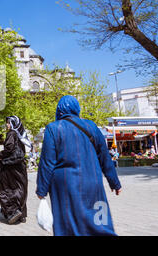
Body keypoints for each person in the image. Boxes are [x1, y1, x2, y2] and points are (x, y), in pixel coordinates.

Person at [36, 95, 122, 236]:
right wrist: (115, 183)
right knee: (100, 222)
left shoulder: (53, 128)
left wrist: (41, 190)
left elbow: (47, 162)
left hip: (66, 186)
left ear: (59, 110)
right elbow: (105, 157)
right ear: (77, 109)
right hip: (93, 183)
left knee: (69, 226)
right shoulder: (91, 126)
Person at [0, 116, 31, 224]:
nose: (7, 125)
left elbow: (9, 148)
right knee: (20, 187)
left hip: (9, 166)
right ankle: (21, 214)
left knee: (6, 189)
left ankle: (12, 212)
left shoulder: (12, 133)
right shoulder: (21, 135)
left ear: (12, 124)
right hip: (20, 165)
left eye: (8, 123)